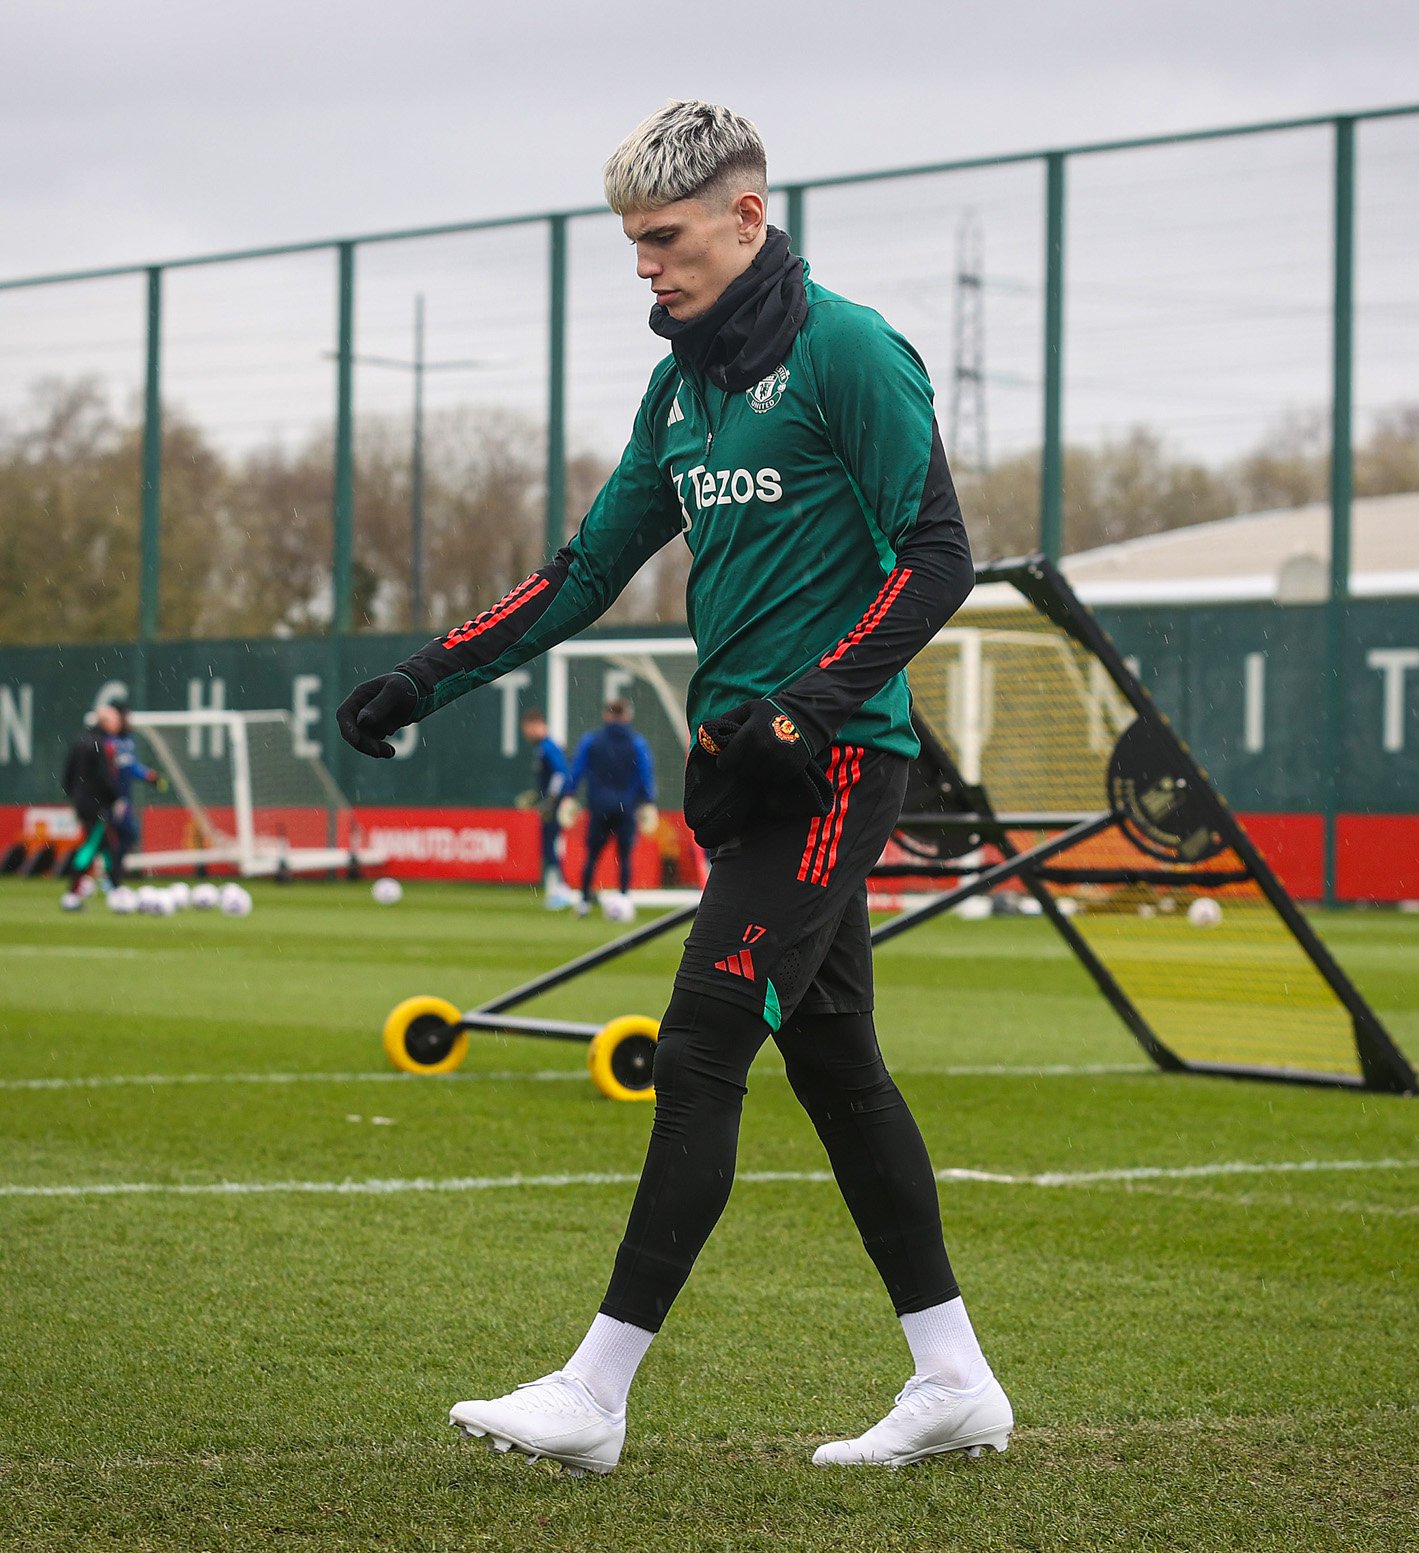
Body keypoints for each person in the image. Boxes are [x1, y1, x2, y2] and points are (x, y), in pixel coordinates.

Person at [336, 100, 1008, 1474]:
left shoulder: (851, 351)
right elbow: (585, 572)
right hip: (744, 777)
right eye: (632, 244)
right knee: (838, 1067)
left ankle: (594, 1393)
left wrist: (811, 711)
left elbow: (935, 555)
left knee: (700, 1043)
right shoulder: (682, 386)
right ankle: (954, 1376)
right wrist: (424, 675)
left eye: (665, 238)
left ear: (746, 217)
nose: (646, 266)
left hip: (833, 768)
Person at [561, 698, 655, 918]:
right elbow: (645, 774)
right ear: (627, 716)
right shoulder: (637, 743)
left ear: (606, 715)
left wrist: (569, 794)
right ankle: (623, 900)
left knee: (592, 856)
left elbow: (576, 771)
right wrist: (648, 800)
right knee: (624, 857)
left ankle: (584, 902)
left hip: (599, 807)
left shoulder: (591, 741)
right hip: (626, 807)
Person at [59, 702, 127, 909]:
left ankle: (114, 890)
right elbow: (105, 777)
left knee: (106, 846)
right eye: (116, 720)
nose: (119, 724)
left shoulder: (81, 740)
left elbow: (68, 776)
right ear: (106, 722)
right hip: (96, 805)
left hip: (84, 802)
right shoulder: (101, 743)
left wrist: (76, 797)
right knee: (92, 847)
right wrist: (115, 799)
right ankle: (72, 895)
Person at [106, 699, 164, 879]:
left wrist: (149, 776)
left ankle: (112, 875)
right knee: (118, 836)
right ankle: (110, 876)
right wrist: (147, 775)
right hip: (109, 798)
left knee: (127, 835)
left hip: (123, 799)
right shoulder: (107, 741)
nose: (128, 720)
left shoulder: (127, 740)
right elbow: (126, 766)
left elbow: (131, 765)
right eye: (125, 716)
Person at [520, 707, 571, 909]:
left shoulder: (548, 747)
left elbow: (560, 774)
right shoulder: (544, 747)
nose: (526, 733)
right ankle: (560, 888)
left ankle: (561, 890)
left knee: (551, 845)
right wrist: (536, 796)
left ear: (535, 726)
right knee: (550, 846)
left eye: (527, 728)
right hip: (552, 802)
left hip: (554, 805)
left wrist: (550, 800)